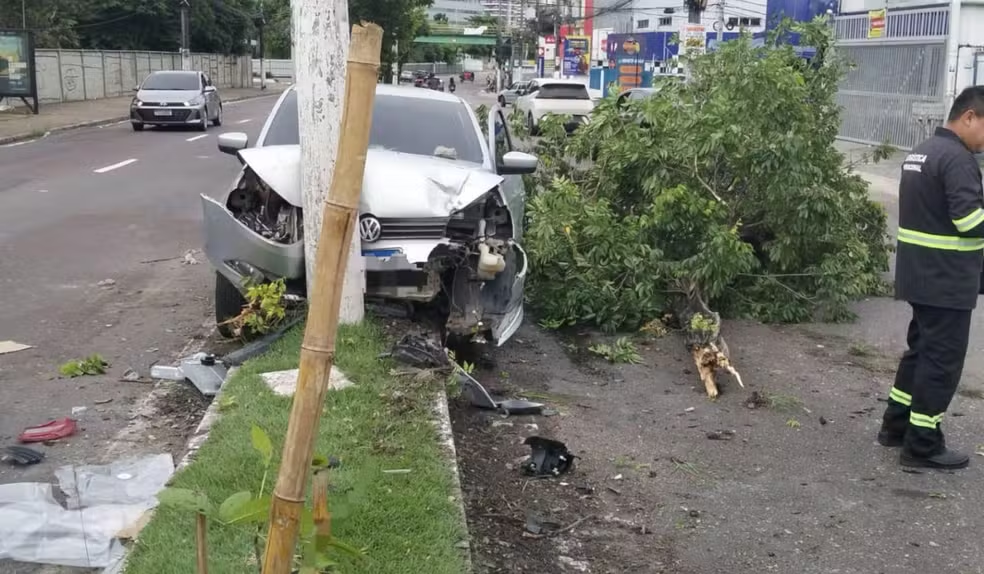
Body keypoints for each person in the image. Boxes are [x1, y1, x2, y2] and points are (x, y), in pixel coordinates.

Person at [879, 85, 984, 470]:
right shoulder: (957, 159)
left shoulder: (922, 151)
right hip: (945, 281)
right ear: (969, 117)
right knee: (941, 362)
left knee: (920, 353)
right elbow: (969, 221)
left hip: (921, 276)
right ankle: (922, 445)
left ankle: (895, 425)